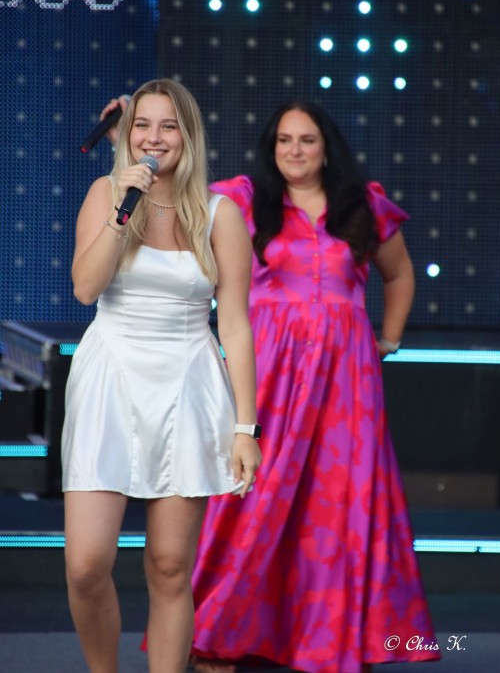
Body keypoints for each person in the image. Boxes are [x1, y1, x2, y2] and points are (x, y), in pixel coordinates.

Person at [102, 97, 441, 673]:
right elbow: (173, 191)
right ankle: (220, 635)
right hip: (270, 371)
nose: (295, 151)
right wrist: (125, 146)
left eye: (306, 140)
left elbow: (400, 272)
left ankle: (331, 639)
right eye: (284, 140)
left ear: (326, 147)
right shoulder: (243, 200)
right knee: (253, 495)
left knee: (337, 503)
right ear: (271, 147)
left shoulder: (363, 205)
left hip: (345, 380)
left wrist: (387, 339)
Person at [61, 78, 262, 673]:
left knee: (171, 566)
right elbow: (85, 289)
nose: (154, 138)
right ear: (128, 135)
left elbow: (235, 327)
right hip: (110, 377)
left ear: (188, 135)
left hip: (187, 384)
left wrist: (245, 428)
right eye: (143, 125)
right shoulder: (107, 193)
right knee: (85, 565)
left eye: (168, 126)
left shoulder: (221, 214)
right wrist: (122, 209)